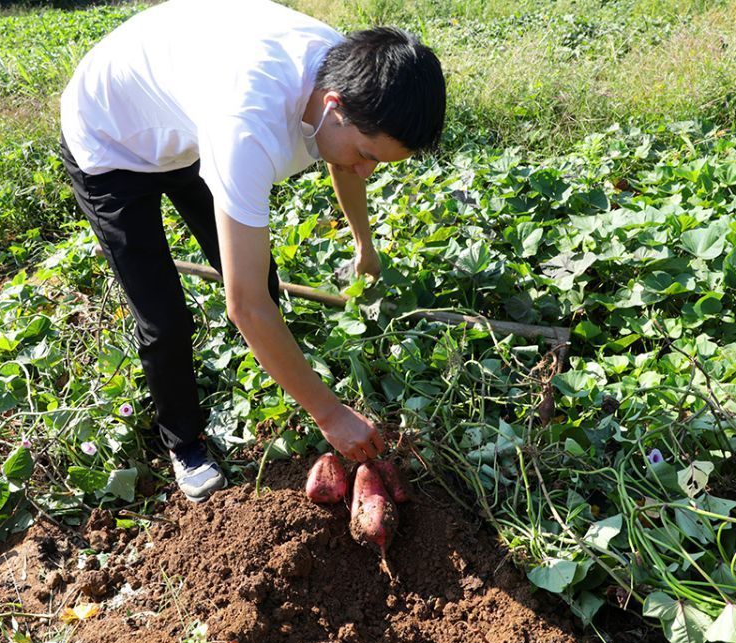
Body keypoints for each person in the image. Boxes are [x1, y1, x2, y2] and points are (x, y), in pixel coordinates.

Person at [60, 0, 446, 502]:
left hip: (182, 118)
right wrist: (329, 413)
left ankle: (281, 376)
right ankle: (184, 443)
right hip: (109, 136)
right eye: (369, 155)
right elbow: (243, 307)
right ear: (334, 105)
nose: (366, 170)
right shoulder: (246, 127)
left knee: (259, 278)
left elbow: (344, 159)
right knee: (166, 317)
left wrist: (363, 243)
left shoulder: (347, 74)